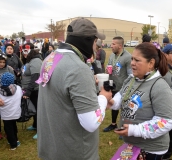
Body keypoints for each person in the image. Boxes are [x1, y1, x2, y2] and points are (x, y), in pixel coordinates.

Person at [37, 17, 112, 159]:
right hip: (74, 152)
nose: (96, 47)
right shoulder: (78, 69)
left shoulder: (50, 58)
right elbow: (91, 122)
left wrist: (87, 82)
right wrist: (103, 97)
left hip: (51, 148)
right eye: (96, 42)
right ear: (88, 40)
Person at [109, 42, 172, 160]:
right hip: (132, 145)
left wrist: (134, 130)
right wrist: (112, 102)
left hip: (150, 149)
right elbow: (122, 95)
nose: (132, 63)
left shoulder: (160, 87)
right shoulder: (132, 79)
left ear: (151, 63)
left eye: (137, 60)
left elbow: (166, 121)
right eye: (132, 59)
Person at [103, 36, 132, 132]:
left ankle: (124, 127)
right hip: (113, 84)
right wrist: (107, 70)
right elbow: (109, 66)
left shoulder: (127, 57)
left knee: (125, 108)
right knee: (114, 106)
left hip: (123, 87)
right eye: (111, 44)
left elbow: (131, 74)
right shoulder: (112, 55)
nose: (111, 46)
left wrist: (127, 87)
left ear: (120, 46)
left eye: (113, 44)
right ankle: (113, 124)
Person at [0, 72, 22, 150]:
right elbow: (20, 96)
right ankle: (16, 139)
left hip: (6, 114)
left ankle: (13, 144)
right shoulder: (18, 88)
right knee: (14, 125)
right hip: (16, 112)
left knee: (8, 128)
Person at [21, 44, 42, 140]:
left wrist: (28, 91)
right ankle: (35, 125)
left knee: (38, 110)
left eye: (26, 52)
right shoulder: (31, 61)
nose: (24, 53)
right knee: (34, 109)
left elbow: (35, 77)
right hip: (32, 90)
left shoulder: (36, 61)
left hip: (35, 90)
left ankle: (40, 130)